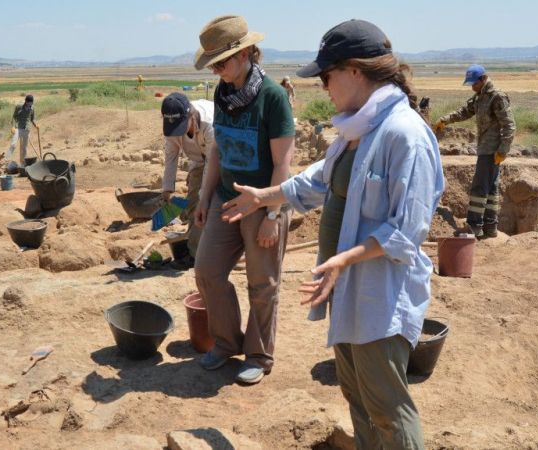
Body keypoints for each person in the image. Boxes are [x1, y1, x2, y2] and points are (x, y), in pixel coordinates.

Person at [220, 19, 444, 449]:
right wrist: (264, 197)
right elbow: (317, 182)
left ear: (355, 71)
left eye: (327, 76)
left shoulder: (404, 136)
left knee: (388, 408)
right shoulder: (354, 133)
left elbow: (406, 231)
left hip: (380, 295)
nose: (324, 86)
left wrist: (343, 260)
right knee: (358, 398)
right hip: (347, 292)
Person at [192, 15, 295, 385]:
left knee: (262, 283)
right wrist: (204, 197)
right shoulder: (223, 94)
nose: (219, 70)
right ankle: (225, 342)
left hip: (262, 202)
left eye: (223, 61)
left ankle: (258, 354)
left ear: (247, 52)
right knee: (206, 271)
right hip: (225, 200)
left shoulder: (273, 97)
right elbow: (218, 148)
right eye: (214, 64)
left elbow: (283, 160)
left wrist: (272, 213)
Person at [434, 65, 515, 238]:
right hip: (486, 149)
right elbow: (465, 111)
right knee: (491, 190)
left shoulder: (496, 97)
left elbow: (509, 126)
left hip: (491, 150)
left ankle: (473, 227)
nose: (472, 87)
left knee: (479, 188)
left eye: (474, 83)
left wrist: (503, 150)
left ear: (483, 79)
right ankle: (490, 227)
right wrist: (445, 120)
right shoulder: (480, 97)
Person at [160, 92, 214, 269]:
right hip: (199, 160)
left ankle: (219, 250)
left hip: (223, 157)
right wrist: (167, 190)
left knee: (208, 203)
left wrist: (203, 198)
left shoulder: (210, 123)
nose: (177, 132)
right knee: (192, 205)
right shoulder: (171, 126)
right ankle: (195, 254)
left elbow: (213, 164)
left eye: (181, 126)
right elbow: (171, 157)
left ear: (191, 115)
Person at [11, 94, 39, 167]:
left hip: (27, 129)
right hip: (19, 128)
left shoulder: (32, 108)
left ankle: (23, 164)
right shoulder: (19, 107)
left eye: (31, 103)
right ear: (26, 101)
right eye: (29, 102)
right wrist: (13, 126)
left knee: (24, 148)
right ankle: (6, 160)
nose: (30, 104)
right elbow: (14, 117)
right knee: (13, 145)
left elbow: (32, 119)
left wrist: (35, 125)